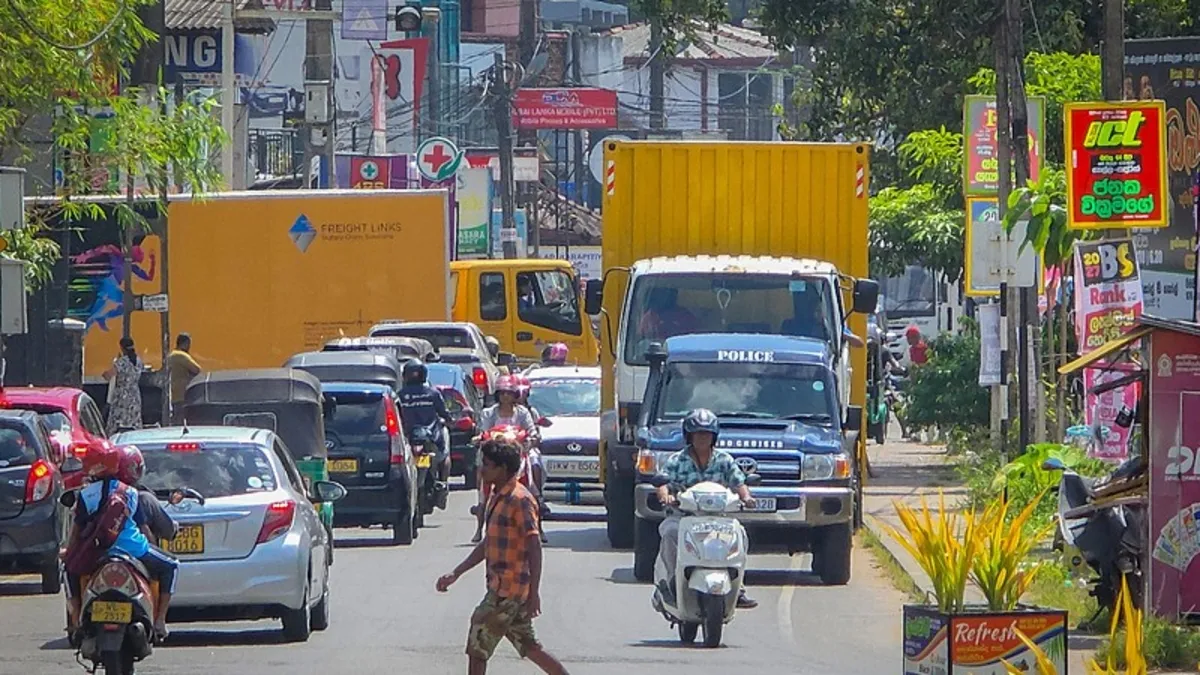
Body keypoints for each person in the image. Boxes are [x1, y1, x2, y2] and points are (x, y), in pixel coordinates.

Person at [436, 438, 570, 675]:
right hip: (504, 587)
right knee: (529, 646)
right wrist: (456, 573)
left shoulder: (520, 500)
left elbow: (534, 545)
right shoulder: (497, 496)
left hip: (509, 590)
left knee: (478, 641)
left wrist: (534, 592)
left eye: (487, 464)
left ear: (504, 468)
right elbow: (489, 542)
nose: (482, 469)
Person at [64, 444, 179, 640]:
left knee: (69, 571)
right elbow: (142, 528)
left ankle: (75, 620)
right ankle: (160, 621)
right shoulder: (130, 493)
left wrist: (69, 553)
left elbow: (76, 532)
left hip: (97, 552)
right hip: (133, 550)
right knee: (172, 565)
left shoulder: (85, 495)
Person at [656, 408, 758, 609]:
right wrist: (665, 496)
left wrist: (746, 497)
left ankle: (739, 587)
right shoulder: (677, 460)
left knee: (741, 535)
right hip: (682, 517)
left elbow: (739, 481)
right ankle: (671, 583)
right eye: (698, 433)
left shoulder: (724, 460)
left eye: (707, 433)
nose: (702, 438)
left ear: (714, 436)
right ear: (689, 436)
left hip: (718, 519)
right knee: (669, 533)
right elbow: (663, 482)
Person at [473, 376, 538, 543]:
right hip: (493, 455)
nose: (505, 397)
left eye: (509, 393)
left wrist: (531, 438)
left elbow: (531, 431)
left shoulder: (523, 413)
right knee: (483, 482)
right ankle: (479, 528)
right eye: (502, 394)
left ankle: (539, 506)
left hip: (519, 453)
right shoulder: (489, 413)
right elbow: (483, 431)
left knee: (535, 466)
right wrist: (480, 439)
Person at [397, 359, 453, 505]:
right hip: (430, 438)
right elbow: (444, 413)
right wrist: (450, 419)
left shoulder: (400, 395)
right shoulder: (433, 393)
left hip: (410, 438)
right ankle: (443, 482)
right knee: (445, 455)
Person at [103, 337, 144, 434]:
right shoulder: (138, 361)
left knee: (115, 420)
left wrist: (105, 373)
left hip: (122, 395)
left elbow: (109, 375)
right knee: (134, 420)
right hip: (134, 394)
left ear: (122, 348)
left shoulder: (122, 362)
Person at [166, 333, 201, 425]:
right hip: (182, 394)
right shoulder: (181, 356)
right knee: (181, 421)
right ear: (185, 343)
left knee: (175, 419)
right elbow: (197, 369)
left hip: (173, 394)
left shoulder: (171, 355)